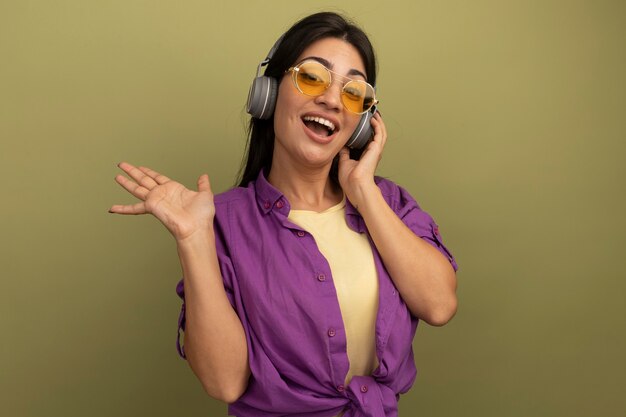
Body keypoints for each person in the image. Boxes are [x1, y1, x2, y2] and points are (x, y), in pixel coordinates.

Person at [109, 11, 458, 417]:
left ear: (362, 122)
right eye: (312, 77)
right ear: (269, 93)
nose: (331, 100)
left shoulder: (388, 204)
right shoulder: (220, 224)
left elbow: (438, 305)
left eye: (353, 92)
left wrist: (363, 190)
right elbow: (225, 381)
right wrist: (193, 240)